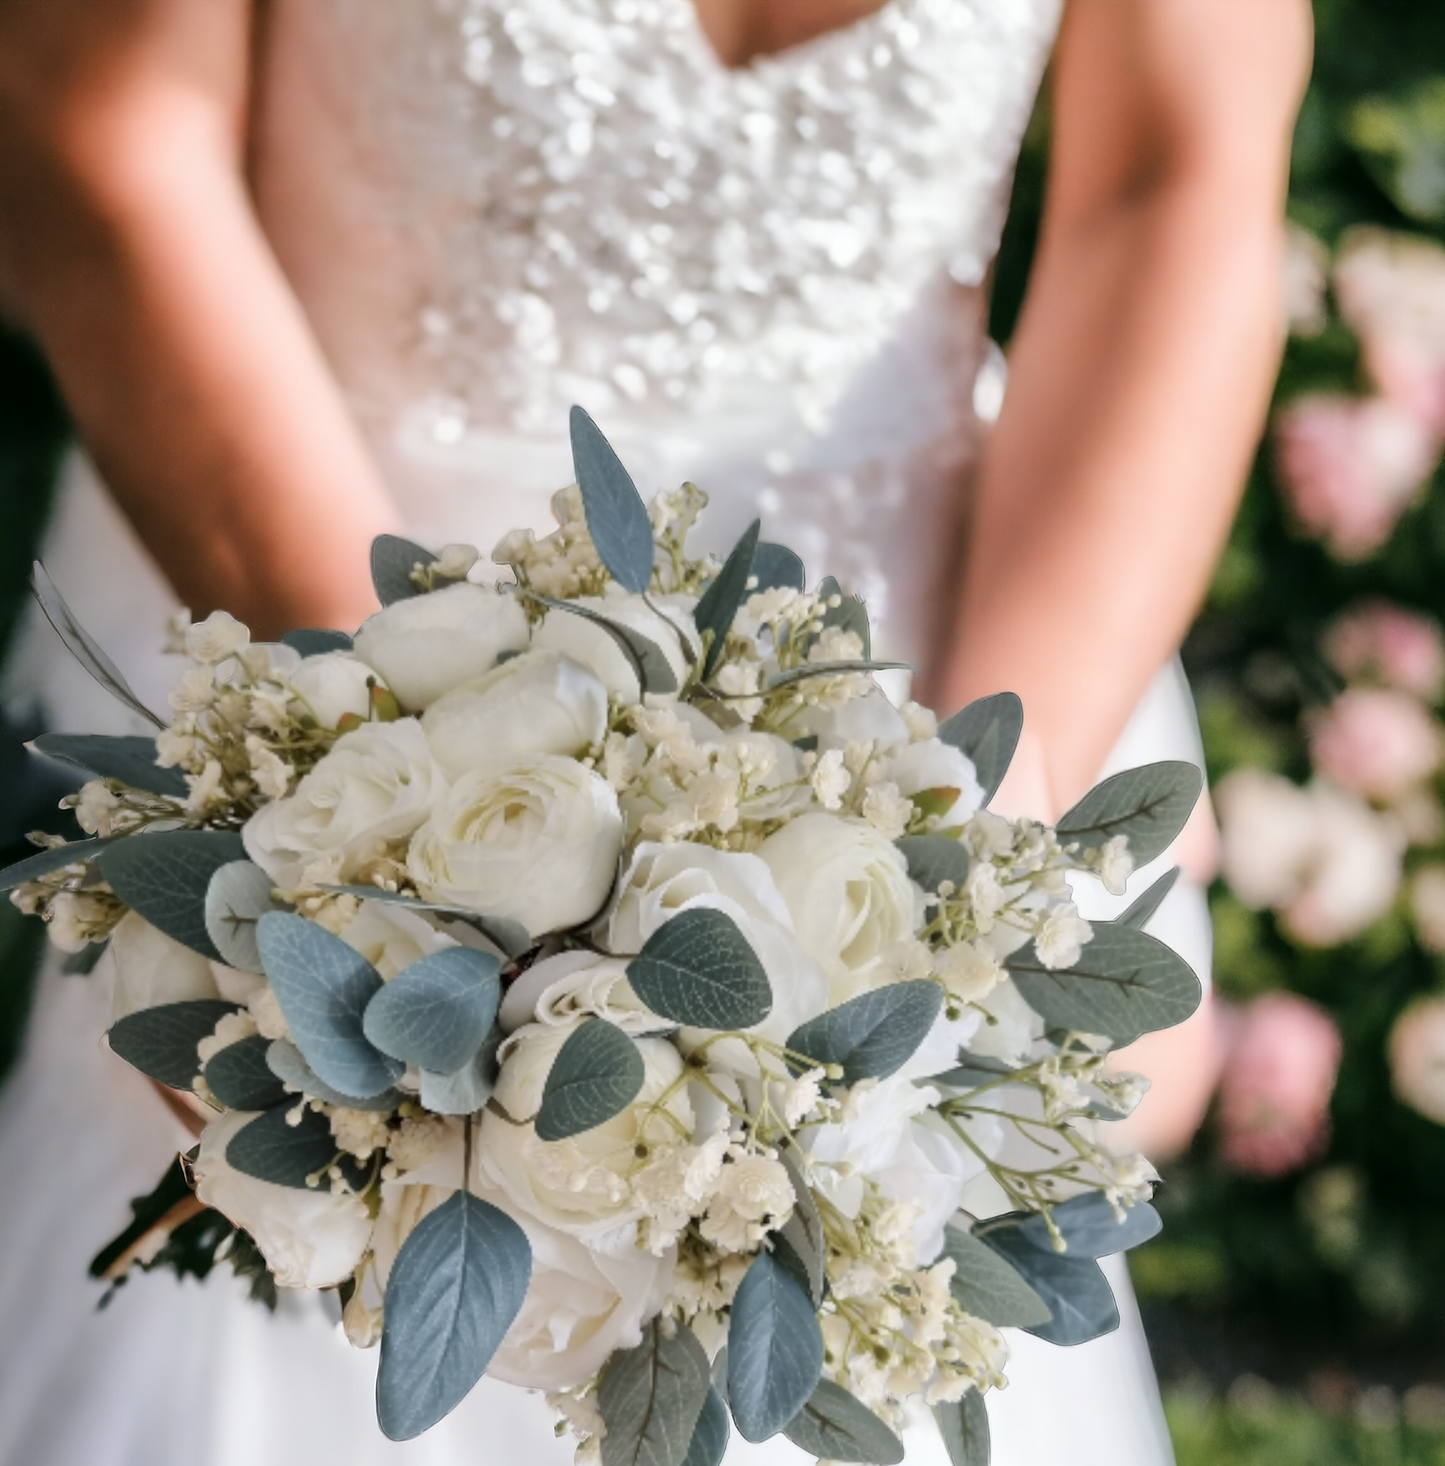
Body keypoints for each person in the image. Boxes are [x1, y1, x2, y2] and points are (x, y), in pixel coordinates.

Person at [0, 1, 1311, 1463]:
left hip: (913, 661)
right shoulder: (346, 773)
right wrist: (374, 818)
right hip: (300, 570)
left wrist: (977, 852)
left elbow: (1173, 177)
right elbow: (106, 125)